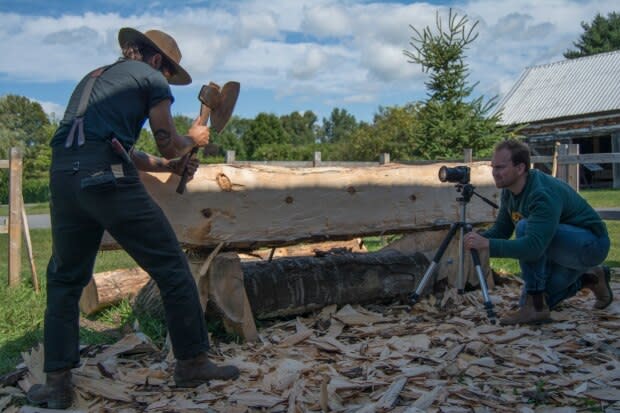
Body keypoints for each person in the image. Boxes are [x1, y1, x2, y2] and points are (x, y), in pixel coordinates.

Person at [27, 28, 240, 410]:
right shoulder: (151, 78)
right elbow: (165, 138)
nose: (167, 82)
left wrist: (171, 166)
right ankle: (192, 362)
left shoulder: (95, 79)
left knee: (65, 277)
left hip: (63, 176)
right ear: (157, 61)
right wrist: (191, 140)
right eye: (168, 74)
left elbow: (121, 148)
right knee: (172, 267)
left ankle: (57, 384)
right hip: (106, 177)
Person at [464, 139, 612, 326]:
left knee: (525, 228)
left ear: (520, 168)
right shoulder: (510, 191)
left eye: (500, 167)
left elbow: (533, 248)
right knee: (545, 300)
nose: (495, 173)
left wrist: (486, 245)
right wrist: (476, 239)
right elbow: (502, 230)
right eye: (493, 167)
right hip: (559, 245)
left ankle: (535, 305)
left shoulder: (541, 193)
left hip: (591, 245)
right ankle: (591, 277)